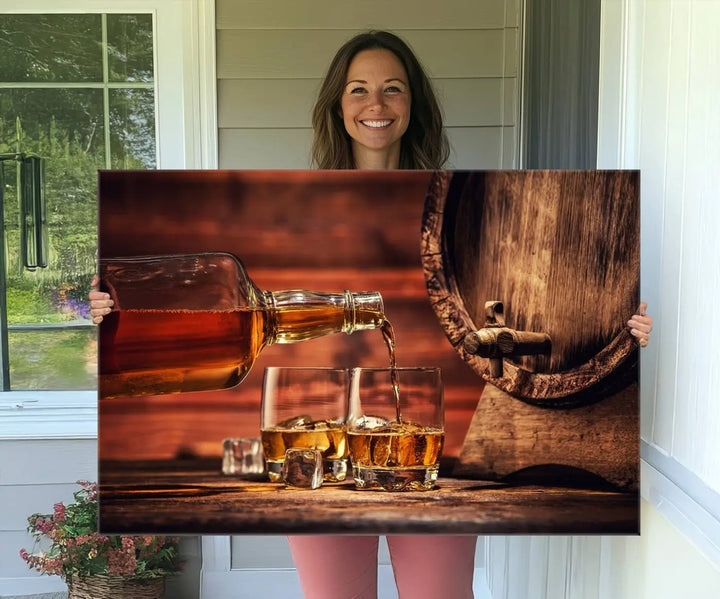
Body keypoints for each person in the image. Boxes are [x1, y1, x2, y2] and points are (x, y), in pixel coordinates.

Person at [89, 30, 653, 599]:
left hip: (438, 462)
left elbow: (535, 305)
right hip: (322, 460)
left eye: (393, 89)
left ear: (413, 106)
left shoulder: (471, 199)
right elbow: (192, 303)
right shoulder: (296, 199)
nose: (376, 105)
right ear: (338, 106)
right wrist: (112, 311)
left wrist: (623, 329)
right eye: (358, 90)